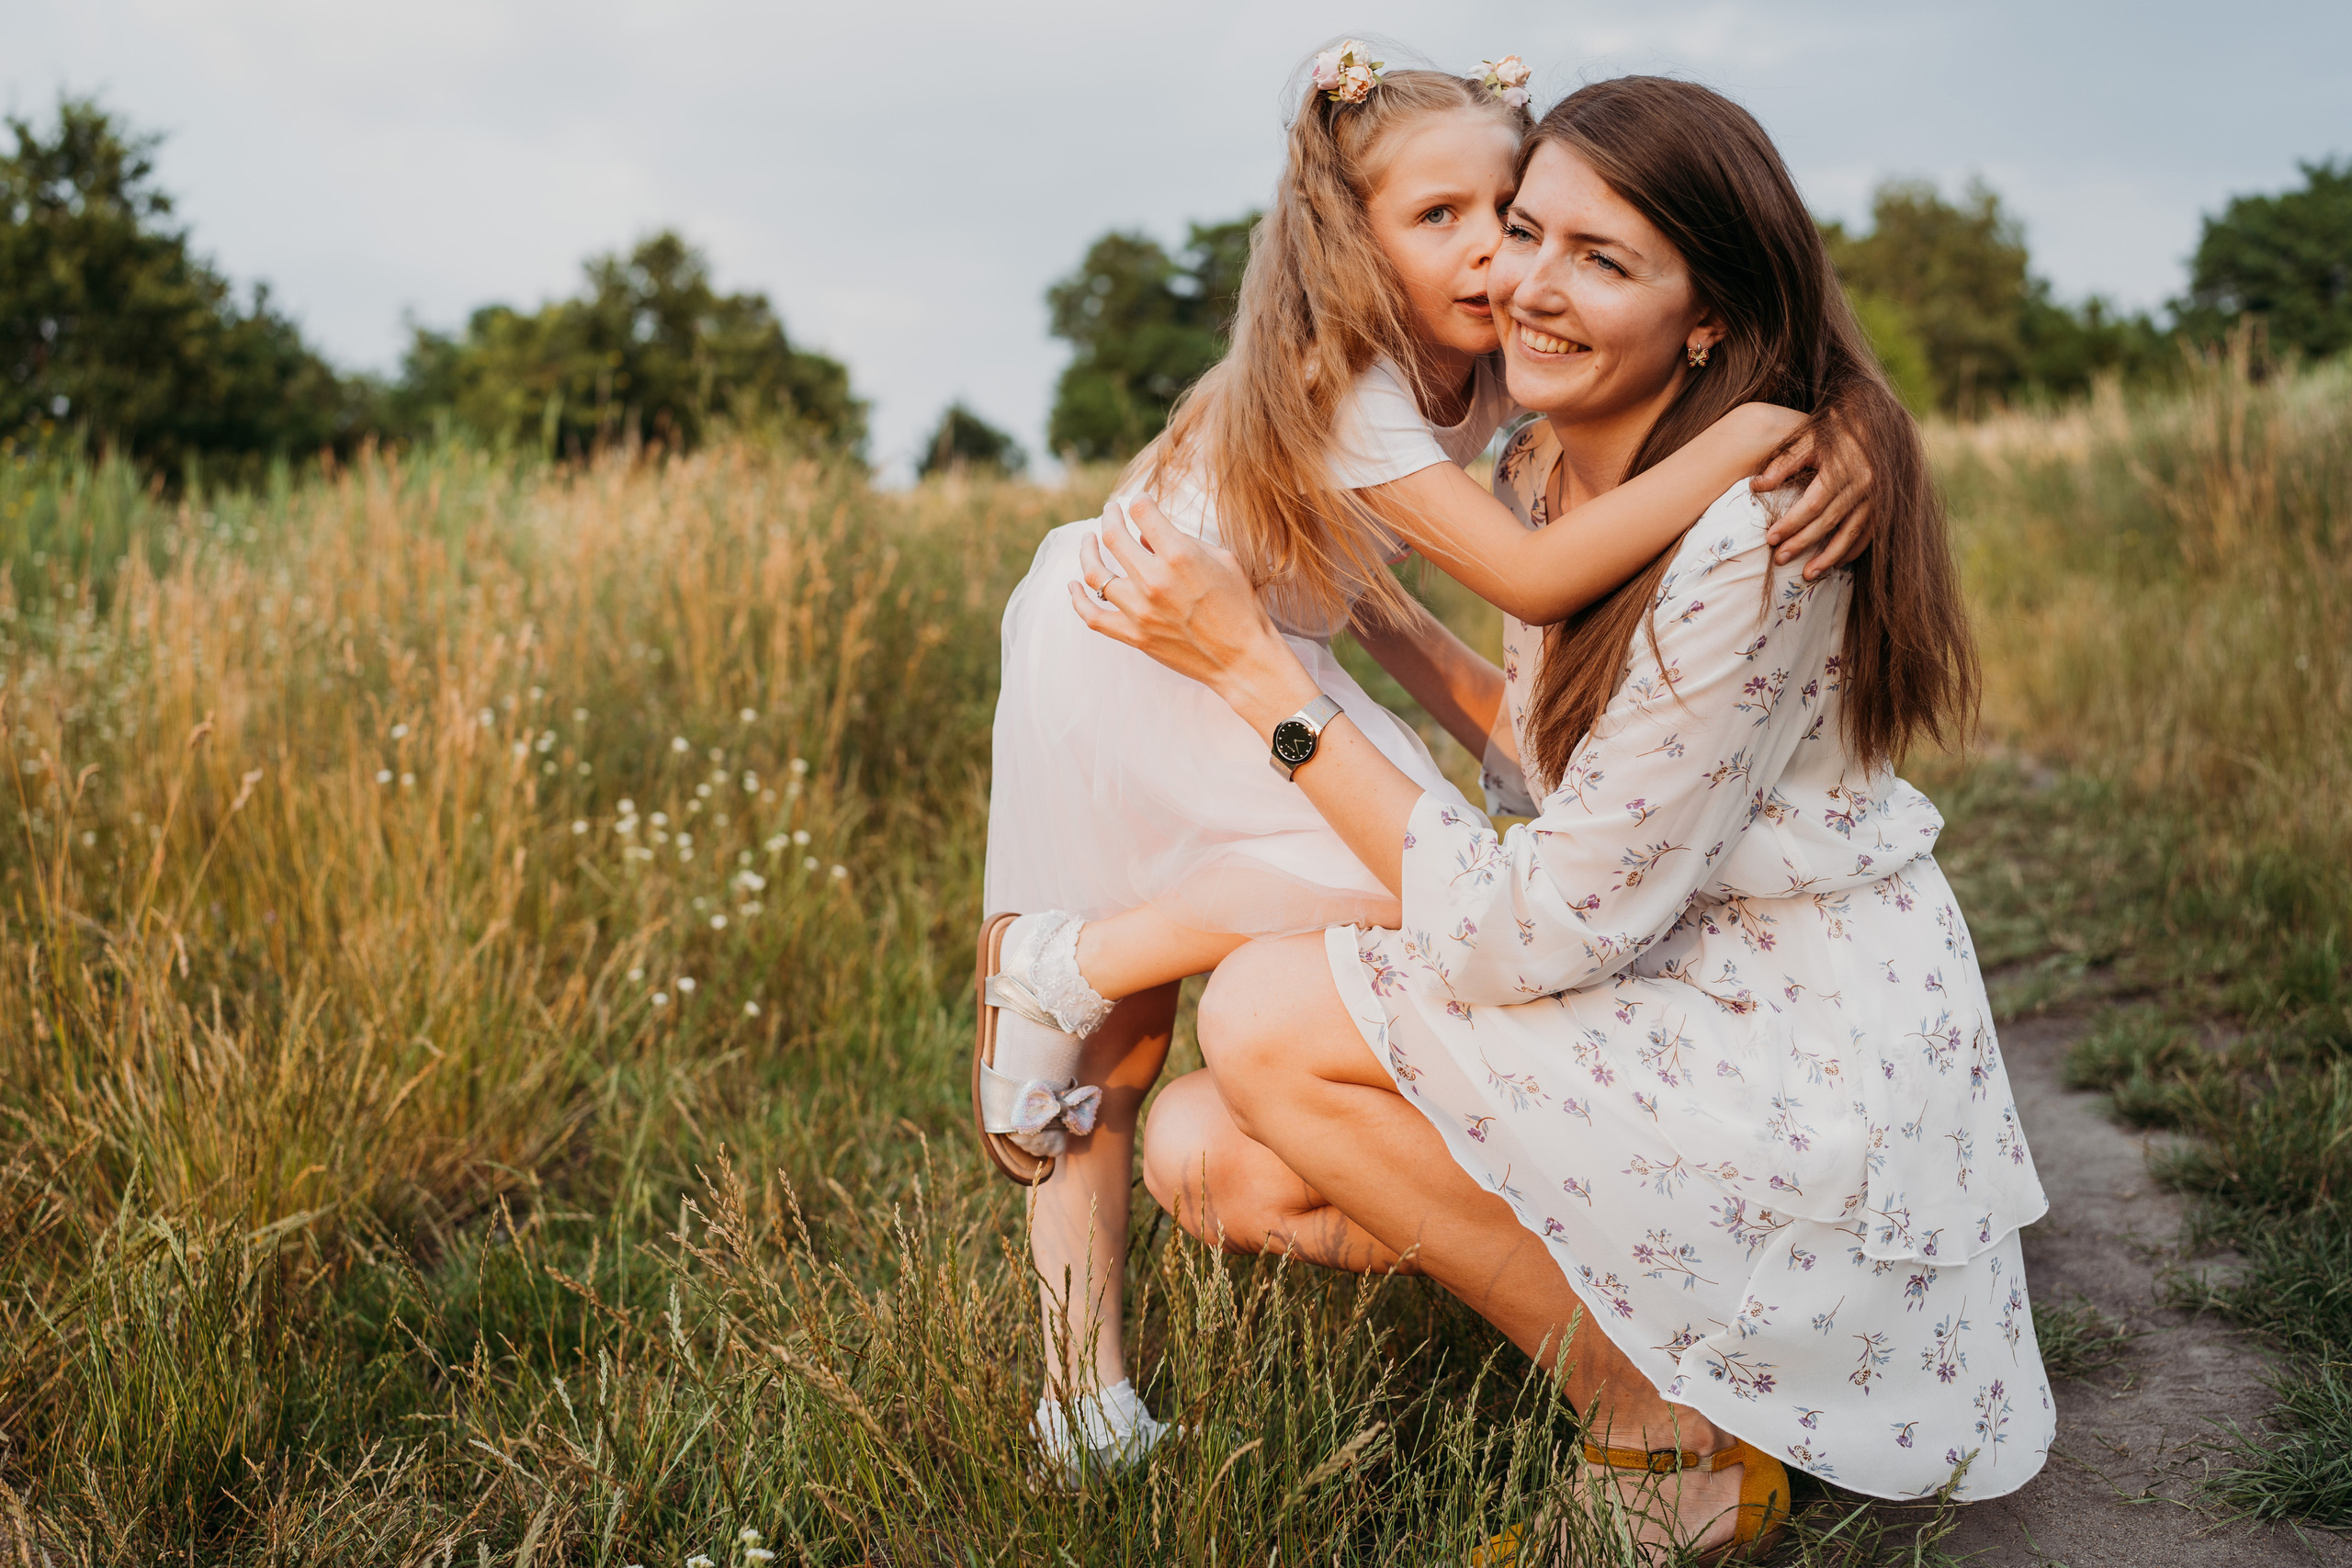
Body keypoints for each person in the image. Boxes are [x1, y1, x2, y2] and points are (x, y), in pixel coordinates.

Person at [1078, 74, 2053, 1559]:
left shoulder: (1763, 531)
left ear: (1708, 314)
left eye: (1602, 260)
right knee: (1208, 1149)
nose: (1524, 282)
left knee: (1267, 1010)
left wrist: (1253, 672)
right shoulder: (1549, 463)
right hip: (1674, 971)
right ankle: (1690, 1353)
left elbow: (1546, 921)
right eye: (1527, 230)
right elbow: (1571, 761)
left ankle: (1663, 1433)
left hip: (1791, 1031)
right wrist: (1387, 625)